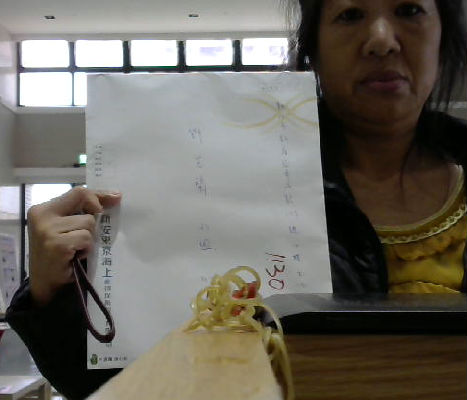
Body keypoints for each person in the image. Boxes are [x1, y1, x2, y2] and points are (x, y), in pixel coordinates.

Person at [6, 0, 467, 398]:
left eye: (409, 10)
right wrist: (51, 293)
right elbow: (109, 385)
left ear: (444, 35)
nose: (382, 40)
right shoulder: (222, 178)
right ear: (313, 49)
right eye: (350, 15)